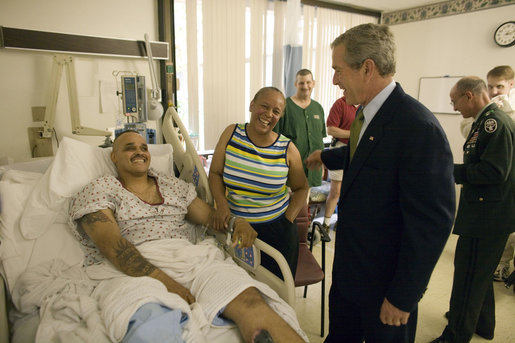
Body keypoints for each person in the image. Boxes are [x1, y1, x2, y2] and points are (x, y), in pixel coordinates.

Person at [69, 130, 306, 343]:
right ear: (113, 157)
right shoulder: (101, 189)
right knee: (152, 322)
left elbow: (211, 217)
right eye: (129, 147)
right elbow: (112, 245)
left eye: (143, 147)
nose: (139, 152)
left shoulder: (172, 186)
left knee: (250, 300)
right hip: (136, 268)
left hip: (192, 260)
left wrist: (237, 222)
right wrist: (167, 282)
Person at [304, 23, 455, 342]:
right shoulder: (368, 116)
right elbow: (367, 158)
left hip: (384, 286)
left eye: (338, 70)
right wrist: (326, 156)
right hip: (351, 273)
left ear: (367, 68)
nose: (334, 79)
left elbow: (432, 223)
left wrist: (403, 296)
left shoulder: (417, 128)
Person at [431, 77, 515, 343]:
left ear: (469, 96)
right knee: (479, 275)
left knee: (469, 276)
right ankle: (482, 323)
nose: (454, 107)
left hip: (487, 216)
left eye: (454, 101)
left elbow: (494, 171)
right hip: (488, 213)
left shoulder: (494, 123)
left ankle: (455, 335)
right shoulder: (487, 120)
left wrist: (449, 171)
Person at [209, 87, 309, 279]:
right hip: (237, 228)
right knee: (238, 286)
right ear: (252, 105)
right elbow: (215, 173)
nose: (268, 115)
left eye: (276, 111)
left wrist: (287, 220)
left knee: (277, 292)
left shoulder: (287, 149)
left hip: (277, 233)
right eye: (264, 106)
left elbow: (302, 188)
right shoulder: (231, 134)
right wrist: (221, 204)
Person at [273, 69, 326, 188]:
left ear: (313, 83)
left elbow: (320, 139)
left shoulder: (318, 108)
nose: (305, 86)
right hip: (289, 170)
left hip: (313, 170)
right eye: (301, 83)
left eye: (308, 82)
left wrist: (322, 164)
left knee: (304, 202)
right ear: (295, 84)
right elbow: (274, 138)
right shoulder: (285, 107)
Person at [322, 92, 357, 231]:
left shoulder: (363, 105)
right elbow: (331, 129)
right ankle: (326, 223)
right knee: (336, 191)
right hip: (340, 148)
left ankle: (343, 221)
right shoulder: (340, 104)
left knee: (352, 191)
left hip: (356, 150)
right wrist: (354, 133)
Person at [460, 65, 514, 138]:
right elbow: (466, 132)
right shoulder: (482, 102)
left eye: (499, 86)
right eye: (490, 87)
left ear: (511, 84)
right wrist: (486, 111)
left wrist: (504, 112)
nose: (494, 92)